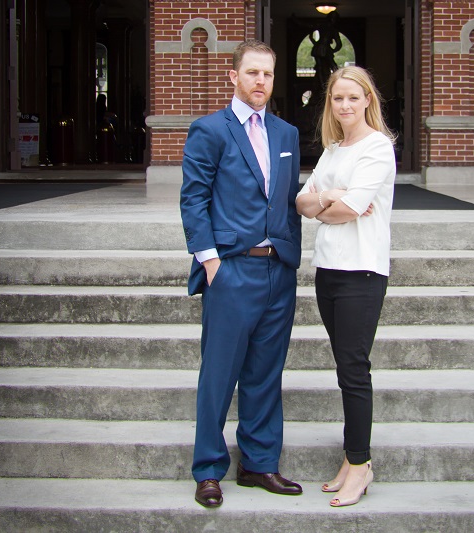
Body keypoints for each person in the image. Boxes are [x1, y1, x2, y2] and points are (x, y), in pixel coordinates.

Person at [180, 39, 303, 509]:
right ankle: (209, 468)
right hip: (231, 270)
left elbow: (289, 197)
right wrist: (210, 262)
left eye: (268, 75)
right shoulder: (210, 130)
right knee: (219, 374)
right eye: (252, 73)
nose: (260, 82)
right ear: (233, 76)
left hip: (278, 271)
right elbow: (193, 199)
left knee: (265, 375)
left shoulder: (287, 134)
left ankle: (258, 463)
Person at [295, 66, 396, 507]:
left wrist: (334, 201)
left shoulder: (378, 148)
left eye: (354, 97)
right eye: (338, 98)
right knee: (343, 367)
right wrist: (331, 201)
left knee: (354, 369)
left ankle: (360, 463)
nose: (345, 105)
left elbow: (350, 208)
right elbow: (301, 200)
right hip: (329, 270)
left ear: (368, 100)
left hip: (363, 272)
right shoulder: (334, 150)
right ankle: (351, 459)